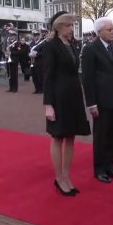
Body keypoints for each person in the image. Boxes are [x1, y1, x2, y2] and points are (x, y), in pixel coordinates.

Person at [43, 11, 91, 196]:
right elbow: (48, 77)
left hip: (73, 94)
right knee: (58, 136)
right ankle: (59, 178)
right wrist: (48, 105)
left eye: (72, 25)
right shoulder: (51, 46)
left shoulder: (71, 44)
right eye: (68, 25)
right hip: (58, 96)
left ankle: (66, 175)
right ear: (59, 26)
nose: (72, 28)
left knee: (71, 137)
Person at [81, 17, 113, 184]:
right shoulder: (91, 49)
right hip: (100, 101)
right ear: (99, 32)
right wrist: (91, 103)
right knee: (101, 136)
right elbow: (87, 78)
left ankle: (110, 166)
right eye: (109, 29)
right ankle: (99, 169)